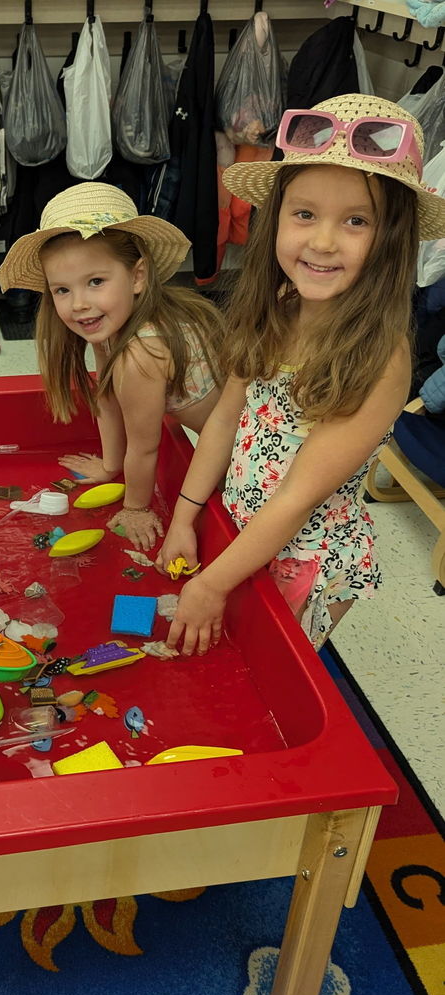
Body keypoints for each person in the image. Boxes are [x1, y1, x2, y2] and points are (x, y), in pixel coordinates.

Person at [156, 94, 445, 654]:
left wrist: (213, 582)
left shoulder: (381, 358)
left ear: (391, 239)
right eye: (304, 213)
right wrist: (186, 516)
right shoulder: (279, 305)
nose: (321, 241)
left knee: (262, 669)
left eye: (356, 221)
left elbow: (296, 499)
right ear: (277, 216)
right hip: (243, 530)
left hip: (309, 562)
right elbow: (224, 420)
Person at [0, 182, 224, 550]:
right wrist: (110, 465)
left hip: (247, 459)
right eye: (62, 290)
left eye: (96, 282)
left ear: (137, 276)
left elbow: (146, 447)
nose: (80, 304)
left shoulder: (141, 354)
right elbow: (107, 393)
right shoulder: (114, 323)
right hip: (225, 442)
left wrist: (136, 507)